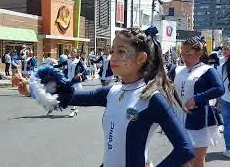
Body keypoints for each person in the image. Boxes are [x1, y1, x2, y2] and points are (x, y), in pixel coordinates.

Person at [16, 27, 196, 167]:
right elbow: (69, 97)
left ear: (141, 58)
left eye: (121, 51)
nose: (113, 58)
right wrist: (31, 89)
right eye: (112, 51)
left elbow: (185, 150)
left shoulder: (152, 99)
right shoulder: (111, 92)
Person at [169, 36, 224, 167]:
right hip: (178, 117)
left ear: (199, 53)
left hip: (199, 118)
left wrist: (197, 99)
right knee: (182, 158)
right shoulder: (177, 69)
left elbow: (219, 89)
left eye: (189, 54)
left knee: (197, 160)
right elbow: (163, 84)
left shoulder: (207, 70)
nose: (184, 57)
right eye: (183, 53)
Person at [54, 49, 87, 117]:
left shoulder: (78, 61)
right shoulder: (68, 61)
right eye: (72, 52)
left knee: (73, 95)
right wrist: (51, 66)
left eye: (74, 52)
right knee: (71, 95)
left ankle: (73, 109)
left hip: (75, 81)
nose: (72, 53)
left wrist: (79, 74)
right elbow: (59, 65)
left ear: (76, 54)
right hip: (69, 80)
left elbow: (84, 70)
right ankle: (74, 109)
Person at [217, 42, 230, 158]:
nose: (224, 51)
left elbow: (218, 84)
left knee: (227, 124)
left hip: (225, 97)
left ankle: (229, 149)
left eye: (226, 49)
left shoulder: (221, 66)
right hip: (225, 97)